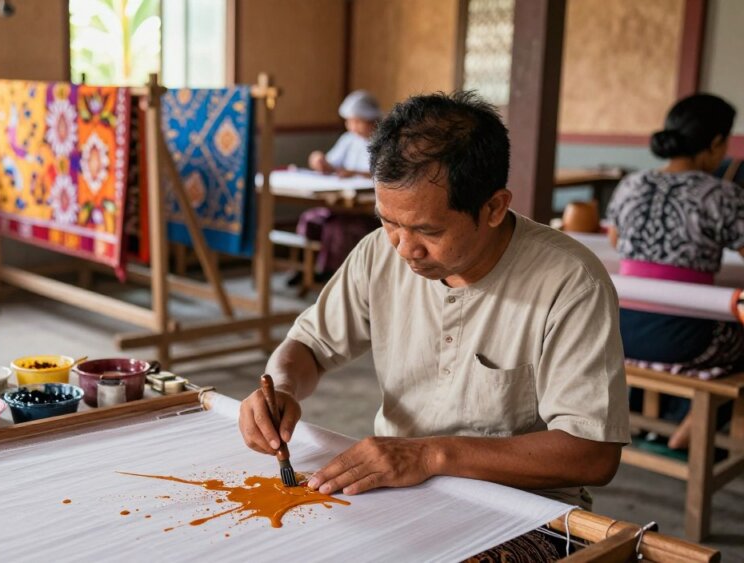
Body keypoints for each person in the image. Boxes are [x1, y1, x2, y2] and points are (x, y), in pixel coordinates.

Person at [240, 92, 629, 560]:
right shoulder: (377, 254)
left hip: (524, 510)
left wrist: (429, 455)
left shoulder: (569, 281)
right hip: (398, 486)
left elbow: (592, 453)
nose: (404, 249)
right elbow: (310, 345)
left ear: (493, 208)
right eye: (389, 223)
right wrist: (281, 387)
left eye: (428, 231)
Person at [607, 93, 741, 449]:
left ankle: (677, 422)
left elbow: (617, 241)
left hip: (620, 332)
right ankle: (699, 424)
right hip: (687, 342)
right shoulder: (721, 194)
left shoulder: (631, 185)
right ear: (715, 143)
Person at [293, 91, 383, 284]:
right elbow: (332, 164)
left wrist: (353, 173)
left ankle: (333, 276)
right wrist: (320, 161)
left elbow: (386, 174)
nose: (353, 126)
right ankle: (304, 270)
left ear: (372, 120)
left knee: (339, 228)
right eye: (350, 121)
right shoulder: (348, 139)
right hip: (341, 203)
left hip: (367, 209)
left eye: (358, 121)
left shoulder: (385, 142)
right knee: (310, 220)